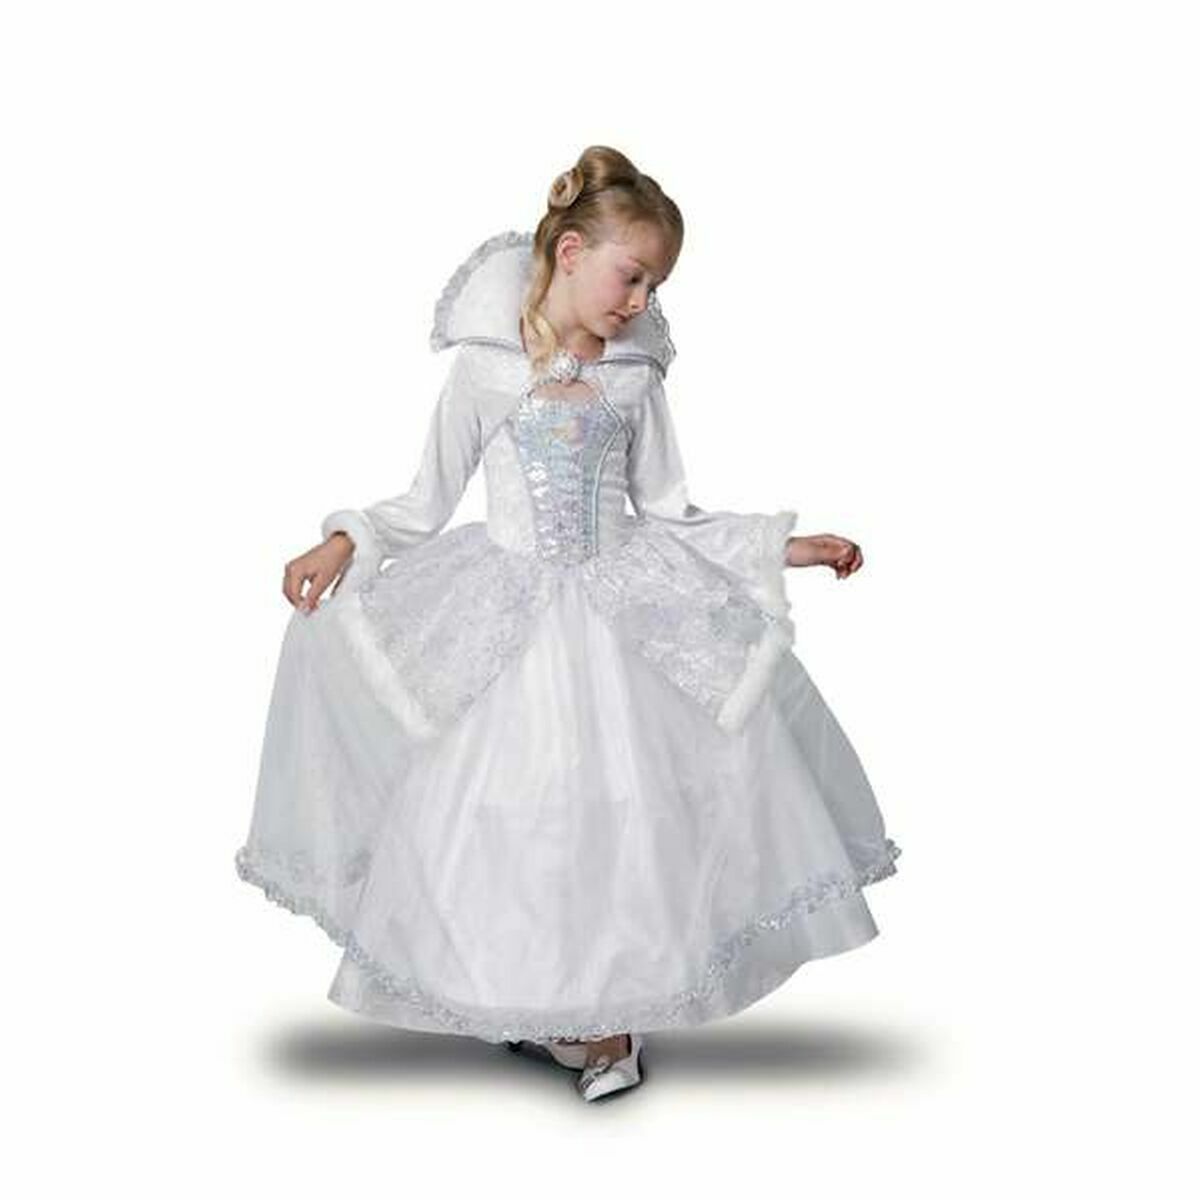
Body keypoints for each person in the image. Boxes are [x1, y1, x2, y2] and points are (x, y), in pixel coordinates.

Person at [234, 144, 902, 1103]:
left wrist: (783, 546)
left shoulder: (635, 379)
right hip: (506, 610)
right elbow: (425, 501)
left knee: (624, 809)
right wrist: (344, 540)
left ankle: (610, 1020)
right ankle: (539, 1003)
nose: (641, 300)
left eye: (655, 285)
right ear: (573, 251)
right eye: (633, 276)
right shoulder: (484, 369)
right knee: (514, 810)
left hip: (620, 610)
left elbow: (670, 509)